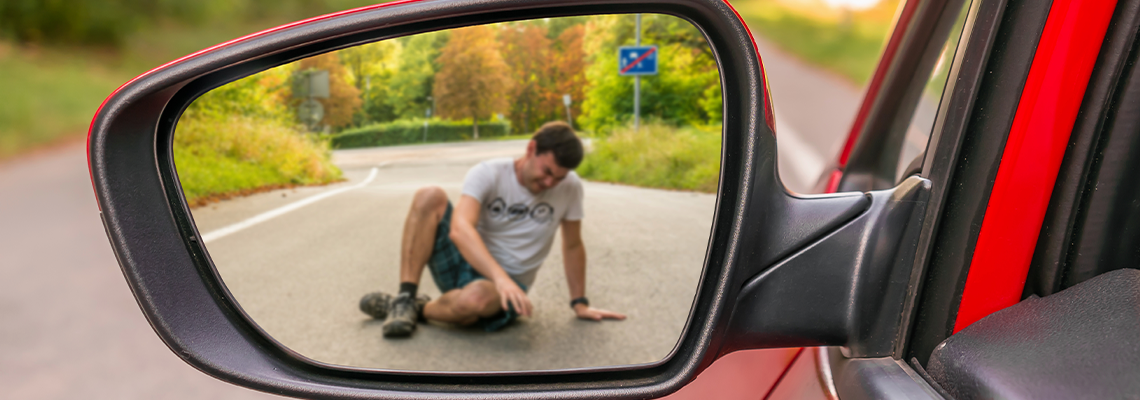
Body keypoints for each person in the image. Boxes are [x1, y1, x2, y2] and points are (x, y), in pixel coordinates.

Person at [359, 121, 626, 337]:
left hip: (505, 287)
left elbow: (572, 245)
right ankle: (405, 296)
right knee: (429, 195)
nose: (550, 183)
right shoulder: (489, 173)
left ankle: (417, 308)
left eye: (559, 177)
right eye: (546, 171)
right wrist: (500, 277)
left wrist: (579, 303)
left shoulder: (570, 188)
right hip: (467, 263)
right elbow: (460, 228)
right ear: (531, 149)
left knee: (474, 302)